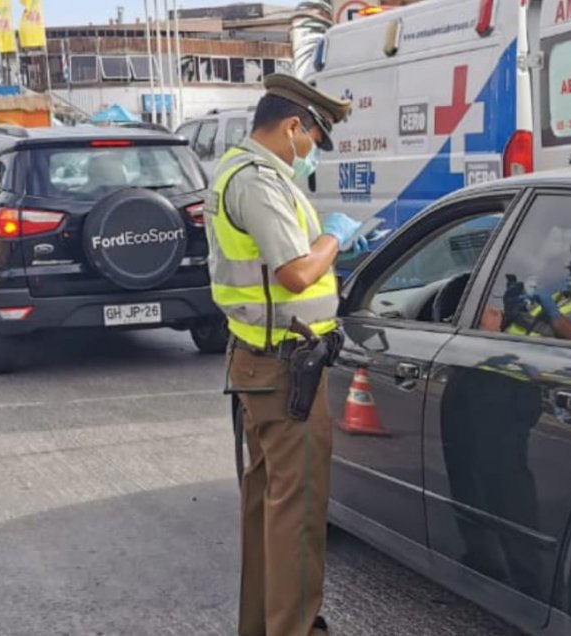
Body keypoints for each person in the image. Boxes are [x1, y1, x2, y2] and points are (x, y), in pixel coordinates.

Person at [206, 74, 362, 636]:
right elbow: (296, 273)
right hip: (284, 367)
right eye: (314, 139)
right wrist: (335, 239)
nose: (311, 151)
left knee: (268, 507)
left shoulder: (240, 170)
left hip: (262, 362)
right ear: (294, 126)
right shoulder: (257, 181)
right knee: (296, 514)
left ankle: (262, 626)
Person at [481, 240, 571, 346]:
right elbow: (527, 327)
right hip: (504, 360)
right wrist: (513, 312)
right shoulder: (556, 296)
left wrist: (555, 316)